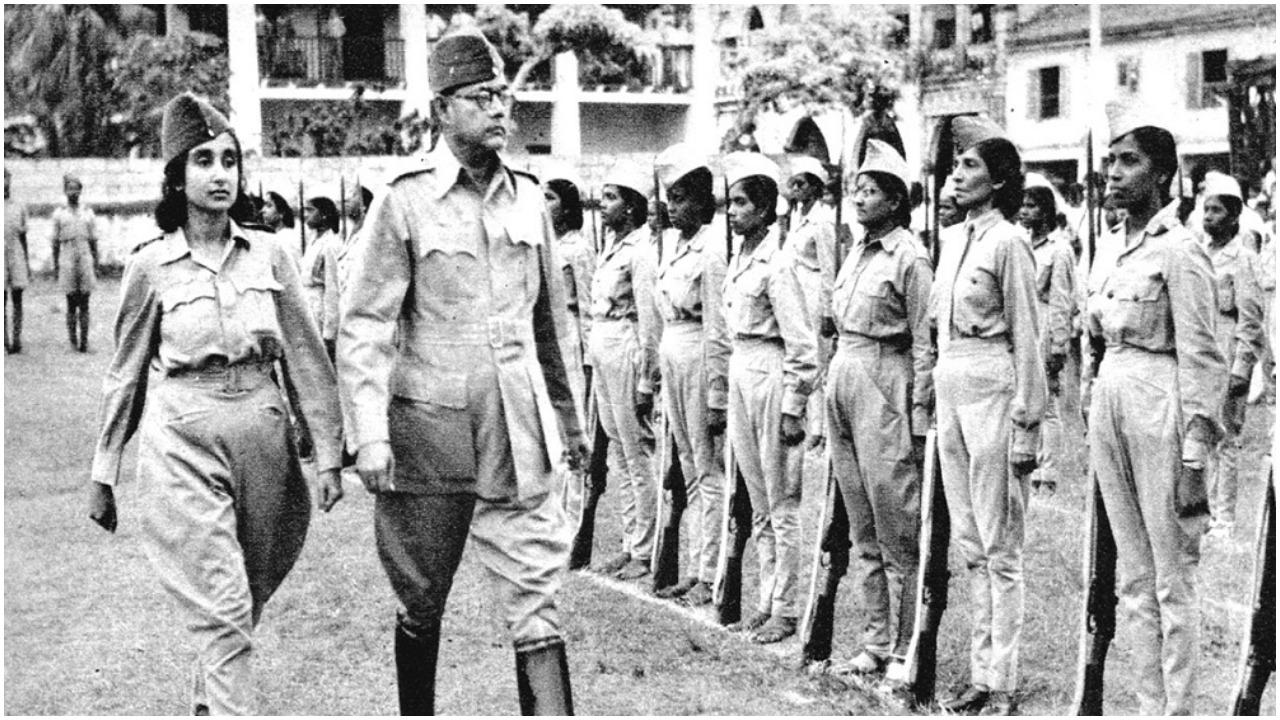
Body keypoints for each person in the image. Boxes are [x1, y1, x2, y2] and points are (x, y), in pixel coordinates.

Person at [336, 32, 587, 715]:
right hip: (428, 434)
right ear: (442, 110)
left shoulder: (530, 200)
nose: (499, 109)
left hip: (518, 430)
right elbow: (364, 324)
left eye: (504, 95)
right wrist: (369, 435)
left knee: (537, 598)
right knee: (421, 597)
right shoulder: (404, 199)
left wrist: (573, 423)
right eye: (481, 98)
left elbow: (552, 328)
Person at [87, 92, 344, 715]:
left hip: (263, 440)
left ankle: (207, 707)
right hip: (183, 442)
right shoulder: (151, 265)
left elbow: (307, 359)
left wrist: (330, 454)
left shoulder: (272, 253)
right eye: (202, 161)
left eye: (229, 160)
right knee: (224, 608)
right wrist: (104, 470)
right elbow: (126, 374)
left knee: (241, 601)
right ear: (177, 176)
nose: (219, 173)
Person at [1082, 118, 1226, 715]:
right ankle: (1147, 704)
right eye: (1112, 160)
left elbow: (1204, 359)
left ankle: (1180, 709)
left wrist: (1195, 459)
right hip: (1112, 394)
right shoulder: (1113, 246)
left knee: (1172, 576)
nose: (1114, 172)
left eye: (1130, 161)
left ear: (1163, 176)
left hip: (1158, 397)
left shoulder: (1180, 251)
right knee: (1133, 579)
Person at [930, 117, 1045, 716]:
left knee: (1001, 546)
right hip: (953, 384)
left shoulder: (1009, 242)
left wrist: (1028, 424)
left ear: (1000, 181)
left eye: (971, 165)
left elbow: (1029, 335)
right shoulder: (954, 242)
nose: (958, 172)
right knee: (971, 542)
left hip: (994, 385)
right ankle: (978, 671)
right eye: (956, 163)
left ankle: (1001, 678)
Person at [823, 140, 933, 679]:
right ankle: (874, 640)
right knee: (860, 521)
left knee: (897, 523)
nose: (859, 199)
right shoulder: (857, 250)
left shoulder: (909, 257)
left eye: (870, 191)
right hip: (846, 372)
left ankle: (906, 647)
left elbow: (923, 339)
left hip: (885, 378)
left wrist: (917, 413)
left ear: (895, 201)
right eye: (856, 189)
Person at [719, 152, 817, 644]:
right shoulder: (738, 259)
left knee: (782, 501)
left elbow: (802, 343)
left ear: (764, 210)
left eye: (741, 203)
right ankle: (765, 599)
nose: (732, 211)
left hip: (771, 370)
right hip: (742, 366)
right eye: (730, 202)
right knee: (756, 498)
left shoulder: (779, 265)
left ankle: (787, 607)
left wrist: (793, 406)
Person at [650, 142, 730, 606]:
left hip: (700, 352)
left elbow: (719, 328)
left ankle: (709, 571)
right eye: (669, 198)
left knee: (706, 468)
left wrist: (718, 390)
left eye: (680, 199)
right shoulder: (677, 246)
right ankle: (697, 568)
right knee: (685, 463)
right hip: (675, 349)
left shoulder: (713, 250)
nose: (672, 207)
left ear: (702, 201)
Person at [586, 162, 659, 580]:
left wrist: (647, 377)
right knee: (617, 451)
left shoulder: (641, 251)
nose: (602, 204)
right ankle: (632, 544)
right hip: (605, 345)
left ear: (630, 207)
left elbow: (650, 319)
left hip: (627, 346)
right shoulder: (612, 247)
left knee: (636, 453)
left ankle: (646, 550)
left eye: (611, 197)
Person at [1196, 171, 1264, 539]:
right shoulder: (1199, 254)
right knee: (1199, 434)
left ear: (1235, 216)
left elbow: (1251, 320)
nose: (1209, 218)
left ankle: (1224, 519)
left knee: (1226, 440)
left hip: (1228, 350)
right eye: (1206, 210)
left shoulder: (1244, 259)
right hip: (1203, 353)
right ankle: (1201, 511)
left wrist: (1242, 368)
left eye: (1217, 210)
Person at [1018, 181, 1077, 497]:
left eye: (1032, 206)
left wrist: (1058, 344)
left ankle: (1048, 472)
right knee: (1026, 397)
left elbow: (1061, 300)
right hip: (1025, 327)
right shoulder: (1022, 243)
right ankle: (1028, 462)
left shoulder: (1059, 249)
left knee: (1049, 403)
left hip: (1045, 326)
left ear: (1046, 211)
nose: (1025, 212)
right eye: (1023, 205)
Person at [782, 155, 836, 454]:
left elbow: (829, 268)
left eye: (801, 184)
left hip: (814, 293)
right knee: (800, 355)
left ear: (815, 188)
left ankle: (821, 428)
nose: (795, 189)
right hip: (795, 291)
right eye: (793, 184)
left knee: (816, 358)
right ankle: (809, 420)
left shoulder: (823, 221)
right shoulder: (796, 218)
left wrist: (829, 311)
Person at [544, 172, 594, 411]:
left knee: (570, 401)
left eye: (550, 198)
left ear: (566, 208)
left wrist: (589, 358)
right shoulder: (542, 244)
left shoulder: (578, 249)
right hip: (545, 331)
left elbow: (587, 304)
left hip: (569, 332)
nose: (543, 204)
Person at [52, 172, 99, 352]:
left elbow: (94, 241)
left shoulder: (87, 213)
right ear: (65, 191)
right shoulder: (59, 214)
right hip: (67, 256)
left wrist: (96, 263)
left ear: (81, 191)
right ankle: (72, 341)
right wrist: (57, 266)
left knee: (85, 301)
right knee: (71, 301)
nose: (73, 192)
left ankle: (84, 342)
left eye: (76, 189)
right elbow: (55, 243)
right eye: (69, 189)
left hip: (84, 255)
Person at [300, 196, 341, 360]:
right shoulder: (313, 241)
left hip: (320, 309)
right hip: (308, 305)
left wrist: (330, 330)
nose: (305, 215)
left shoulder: (330, 244)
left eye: (310, 210)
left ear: (324, 215)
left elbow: (333, 288)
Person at [5, 168, 31, 354]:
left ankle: (17, 339)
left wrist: (27, 262)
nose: (4, 184)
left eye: (6, 179)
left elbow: (23, 238)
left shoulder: (19, 206)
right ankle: (4, 340)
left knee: (17, 297)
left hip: (16, 254)